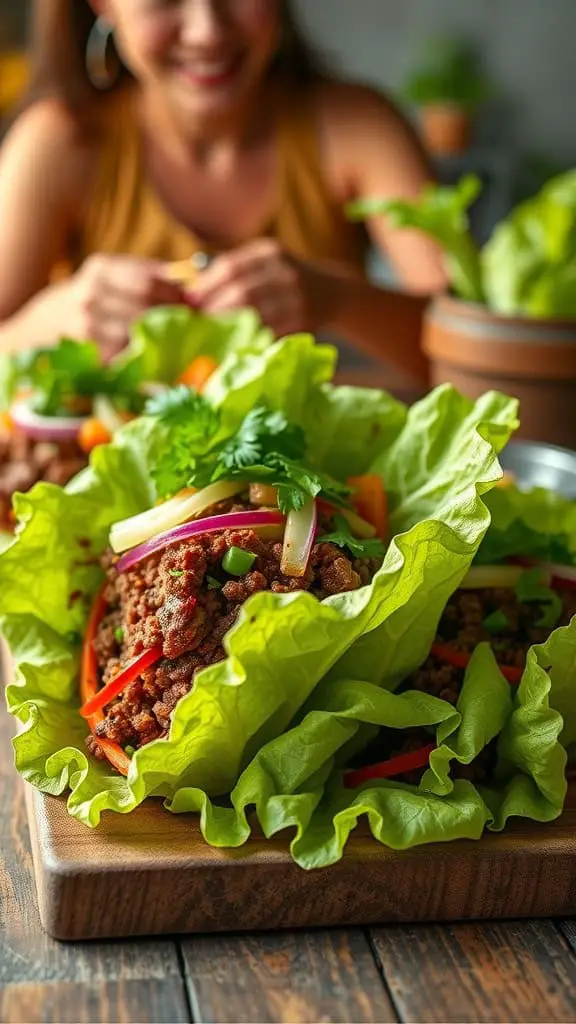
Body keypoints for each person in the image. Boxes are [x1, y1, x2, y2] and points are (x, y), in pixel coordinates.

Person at [0, 0, 447, 381]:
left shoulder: (361, 129)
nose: (207, 32)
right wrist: (54, 319)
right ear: (103, 4)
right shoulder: (58, 144)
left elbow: (477, 350)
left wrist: (333, 297)